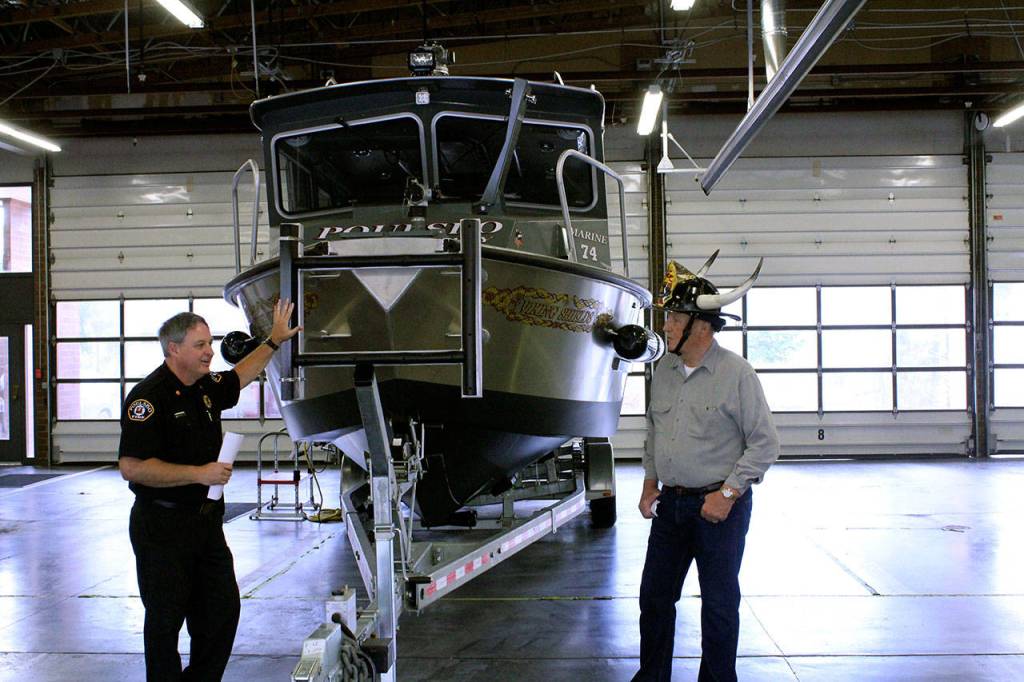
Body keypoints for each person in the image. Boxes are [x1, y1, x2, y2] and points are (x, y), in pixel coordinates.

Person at [118, 299, 301, 681]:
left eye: (209, 342)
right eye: (200, 345)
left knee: (221, 612)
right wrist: (198, 473)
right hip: (163, 527)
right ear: (174, 349)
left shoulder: (204, 385)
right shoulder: (147, 398)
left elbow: (238, 376)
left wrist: (273, 341)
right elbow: (132, 467)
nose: (209, 351)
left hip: (205, 525)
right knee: (165, 622)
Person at [633, 255, 780, 682]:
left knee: (717, 605)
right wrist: (648, 484)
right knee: (655, 600)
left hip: (719, 510)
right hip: (670, 509)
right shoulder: (664, 370)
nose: (666, 326)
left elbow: (765, 443)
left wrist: (729, 493)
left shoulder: (737, 374)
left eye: (674, 317)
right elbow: (653, 433)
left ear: (700, 325)